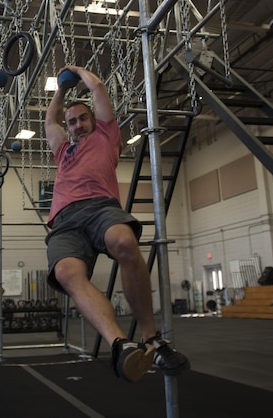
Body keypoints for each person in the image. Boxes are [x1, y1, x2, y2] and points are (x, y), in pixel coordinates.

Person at [44, 65, 189, 382]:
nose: (78, 125)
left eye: (83, 119)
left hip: (101, 208)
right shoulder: (62, 150)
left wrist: (77, 72)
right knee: (66, 272)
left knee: (124, 241)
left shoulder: (107, 135)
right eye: (73, 122)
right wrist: (60, 90)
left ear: (94, 121)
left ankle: (151, 338)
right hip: (65, 220)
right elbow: (49, 120)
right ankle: (121, 345)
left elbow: (97, 90)